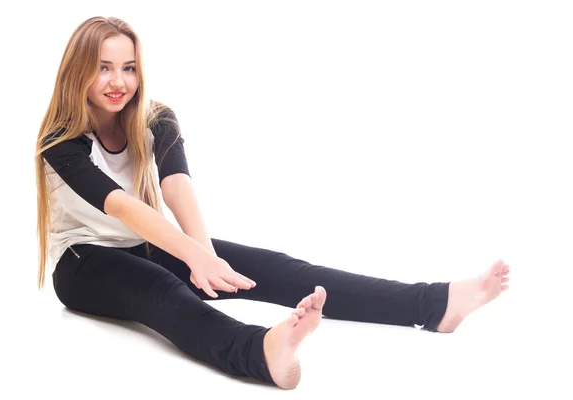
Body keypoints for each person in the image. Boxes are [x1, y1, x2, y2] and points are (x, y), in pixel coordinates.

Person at [35, 16, 510, 390]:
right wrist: (194, 258)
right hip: (83, 266)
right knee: (163, 291)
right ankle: (260, 352)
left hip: (148, 242)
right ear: (79, 70)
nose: (119, 81)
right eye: (103, 67)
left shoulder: (155, 117)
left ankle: (434, 304)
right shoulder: (61, 140)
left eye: (129, 66)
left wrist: (207, 256)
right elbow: (120, 205)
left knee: (280, 269)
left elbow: (176, 184)